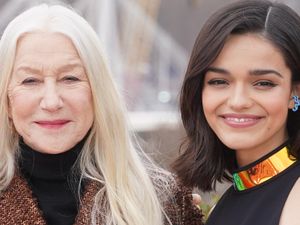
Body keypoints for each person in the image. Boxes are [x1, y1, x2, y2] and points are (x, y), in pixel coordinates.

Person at [0, 3, 203, 225]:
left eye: (70, 78)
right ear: (6, 100)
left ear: (99, 93)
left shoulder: (164, 201)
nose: (51, 102)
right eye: (30, 80)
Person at [173, 0, 300, 225]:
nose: (238, 101)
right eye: (219, 81)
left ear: (294, 92)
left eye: (263, 83)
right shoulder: (232, 196)